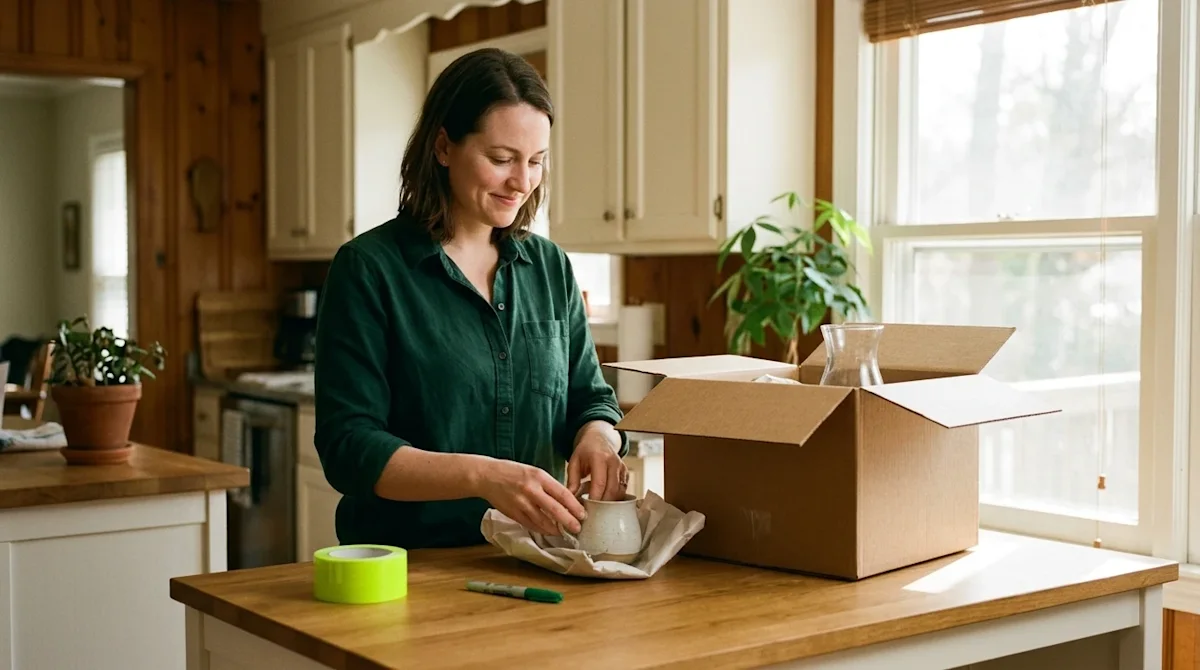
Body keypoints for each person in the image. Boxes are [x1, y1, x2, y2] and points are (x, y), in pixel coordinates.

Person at [312, 47, 629, 551]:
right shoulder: (369, 268)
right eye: (501, 159)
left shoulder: (550, 267)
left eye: (536, 162)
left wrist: (598, 436)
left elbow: (591, 399)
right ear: (443, 147)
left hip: (540, 560)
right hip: (409, 566)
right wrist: (484, 477)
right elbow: (349, 447)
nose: (521, 182)